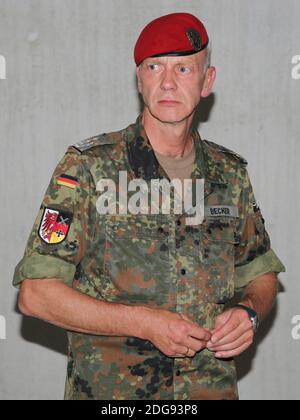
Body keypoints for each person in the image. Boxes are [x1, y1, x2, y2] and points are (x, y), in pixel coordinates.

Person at [14, 12, 285, 400]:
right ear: (139, 79)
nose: (168, 82)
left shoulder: (230, 174)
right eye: (154, 66)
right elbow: (36, 294)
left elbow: (261, 271)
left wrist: (250, 312)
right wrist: (143, 323)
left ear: (207, 81)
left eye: (184, 68)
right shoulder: (90, 167)